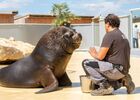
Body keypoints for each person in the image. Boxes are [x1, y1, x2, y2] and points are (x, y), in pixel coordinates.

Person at [82, 14, 135, 96]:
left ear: (108, 24)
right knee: (102, 64)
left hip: (116, 70)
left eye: (105, 24)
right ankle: (124, 79)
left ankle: (105, 87)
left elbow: (100, 57)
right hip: (124, 70)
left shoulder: (110, 35)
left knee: (86, 63)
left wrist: (93, 53)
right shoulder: (122, 35)